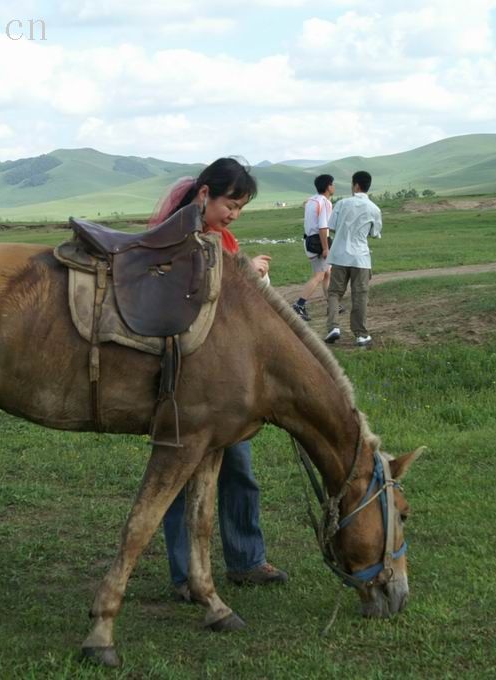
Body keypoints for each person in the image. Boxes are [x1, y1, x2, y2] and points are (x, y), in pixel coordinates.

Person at [148, 158, 288, 600]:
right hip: (183, 377)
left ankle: (246, 560)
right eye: (231, 203)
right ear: (205, 193)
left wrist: (246, 269)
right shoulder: (175, 235)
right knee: (177, 473)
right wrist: (246, 272)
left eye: (241, 208)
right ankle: (184, 574)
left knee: (239, 470)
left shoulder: (222, 237)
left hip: (225, 380)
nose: (234, 214)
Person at [324, 170, 382, 347]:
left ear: (355, 185)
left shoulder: (342, 203)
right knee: (360, 295)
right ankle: (361, 334)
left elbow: (331, 227)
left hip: (340, 255)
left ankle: (333, 327)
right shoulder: (374, 209)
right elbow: (374, 234)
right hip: (360, 258)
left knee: (334, 293)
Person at [292, 174, 335, 321]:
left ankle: (333, 304)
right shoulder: (325, 203)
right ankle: (299, 305)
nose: (333, 187)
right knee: (319, 275)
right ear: (328, 186)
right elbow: (323, 227)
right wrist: (325, 248)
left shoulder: (311, 200)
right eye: (332, 184)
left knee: (327, 272)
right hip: (319, 241)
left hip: (309, 240)